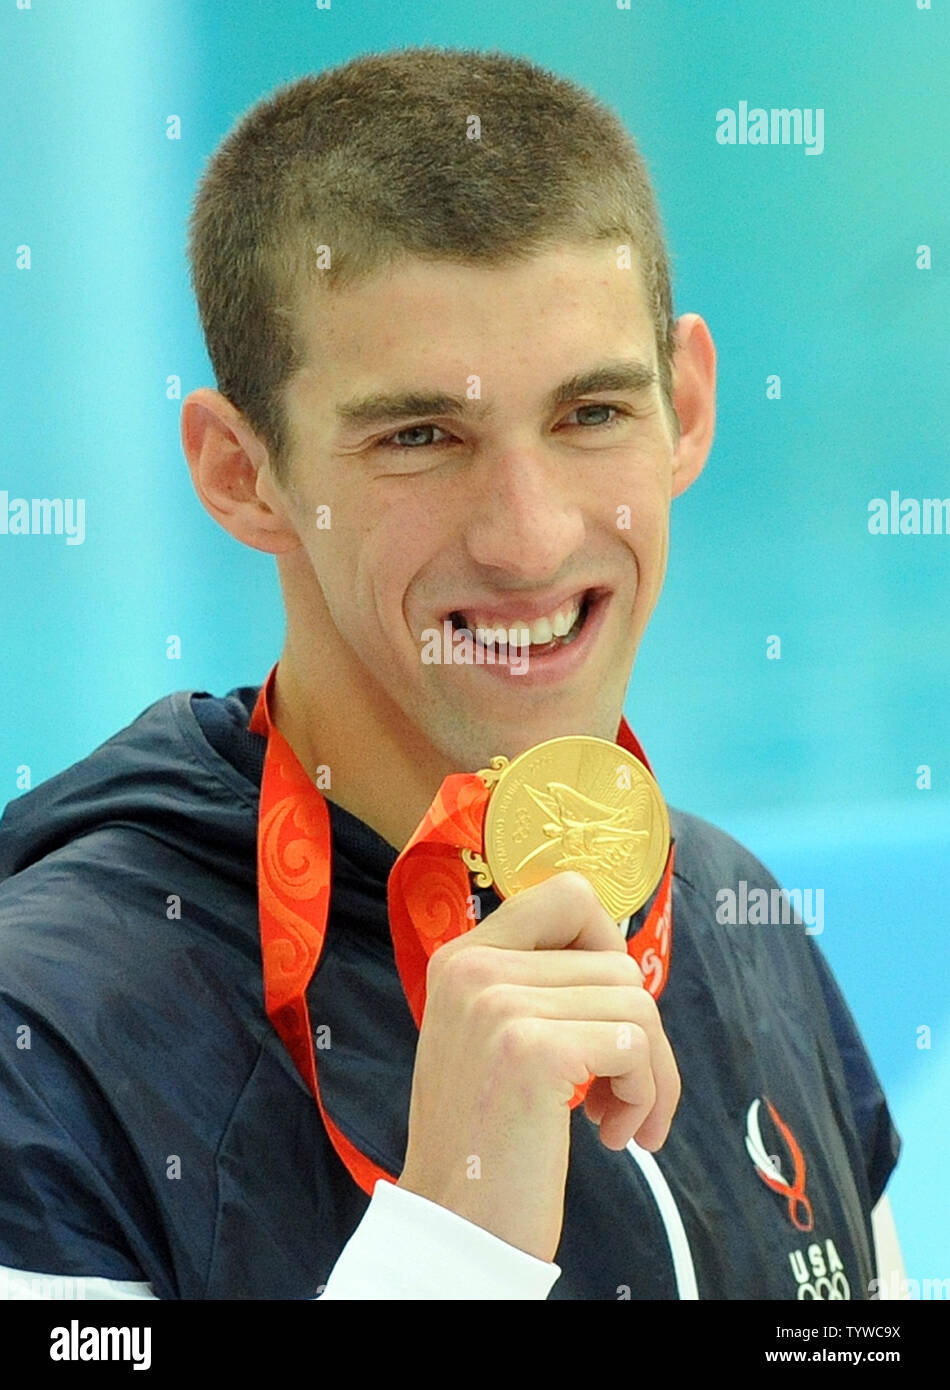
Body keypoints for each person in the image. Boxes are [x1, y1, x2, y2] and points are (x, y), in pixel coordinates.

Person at [0, 46, 902, 1301]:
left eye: (591, 414)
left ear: (686, 407)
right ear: (238, 471)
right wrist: (452, 1245)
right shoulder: (49, 1041)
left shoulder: (735, 923)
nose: (528, 538)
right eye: (419, 437)